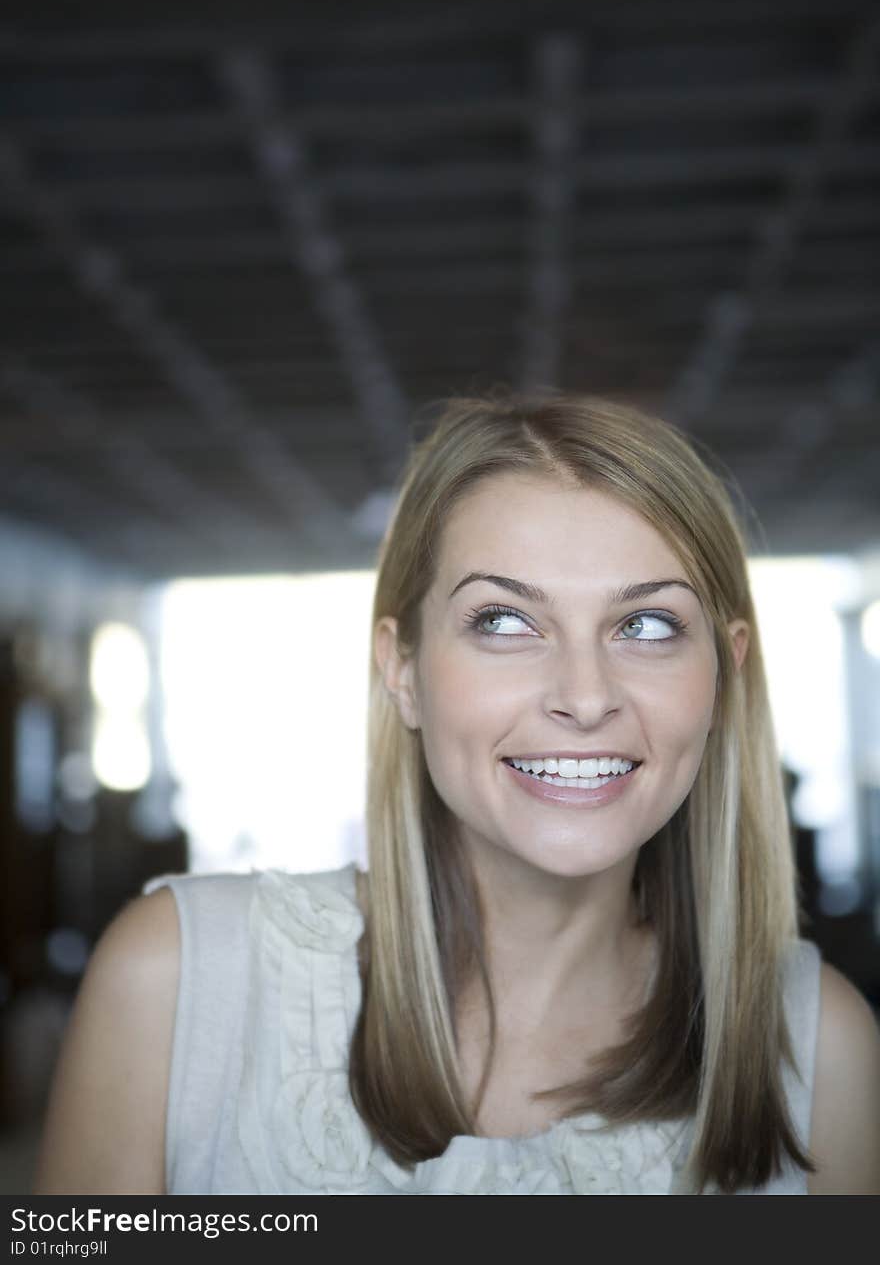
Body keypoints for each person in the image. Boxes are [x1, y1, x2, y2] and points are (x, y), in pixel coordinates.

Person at [34, 392, 880, 1195]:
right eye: (504, 622)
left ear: (726, 669)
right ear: (401, 671)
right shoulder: (180, 983)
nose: (585, 697)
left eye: (647, 626)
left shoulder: (819, 1048)